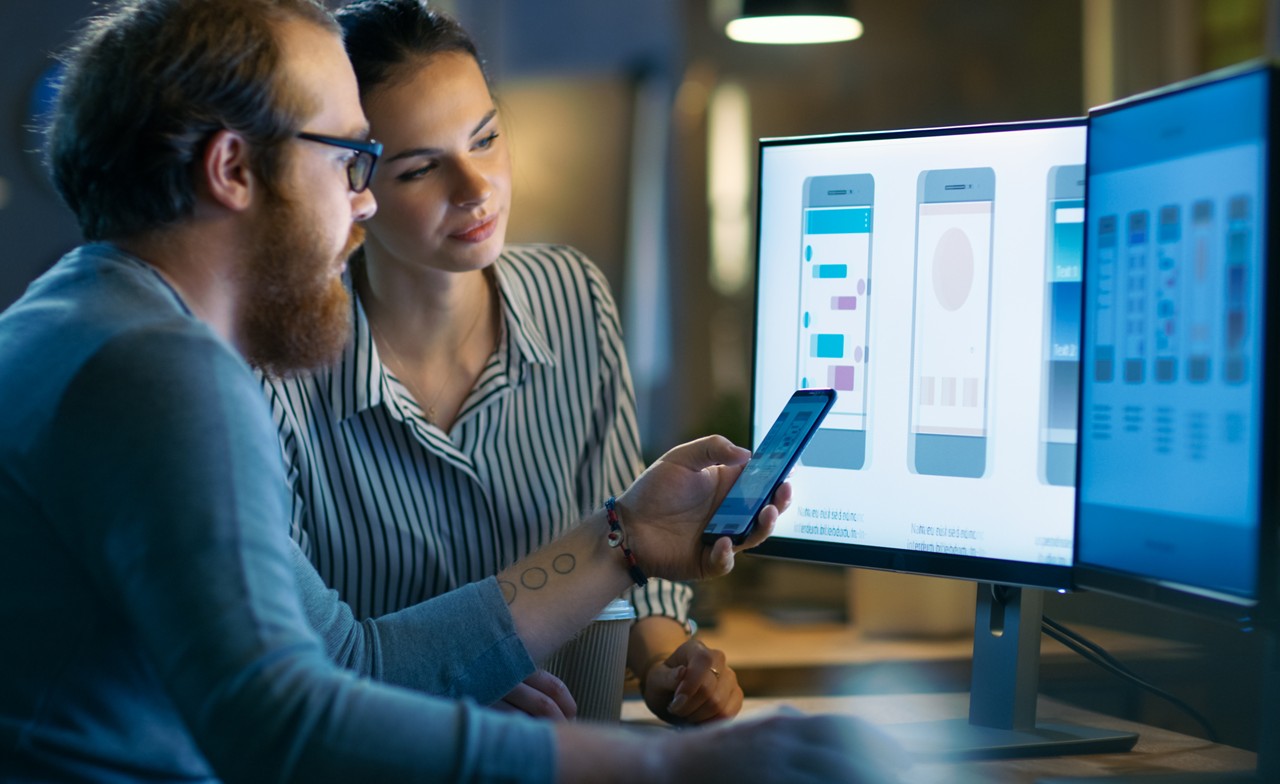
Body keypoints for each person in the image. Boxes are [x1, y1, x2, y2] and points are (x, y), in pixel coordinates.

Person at [0, 0, 907, 782]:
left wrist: (625, 536)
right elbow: (287, 729)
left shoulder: (75, 322)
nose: (361, 203)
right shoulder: (162, 371)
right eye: (351, 160)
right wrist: (673, 766)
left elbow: (351, 664)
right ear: (233, 169)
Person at [261, 0, 740, 725]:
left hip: (576, 755)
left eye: (485, 138)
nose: (476, 188)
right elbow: (286, 658)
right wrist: (438, 683)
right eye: (423, 169)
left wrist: (671, 663)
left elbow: (631, 553)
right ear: (353, 186)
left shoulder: (573, 296)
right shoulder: (280, 366)